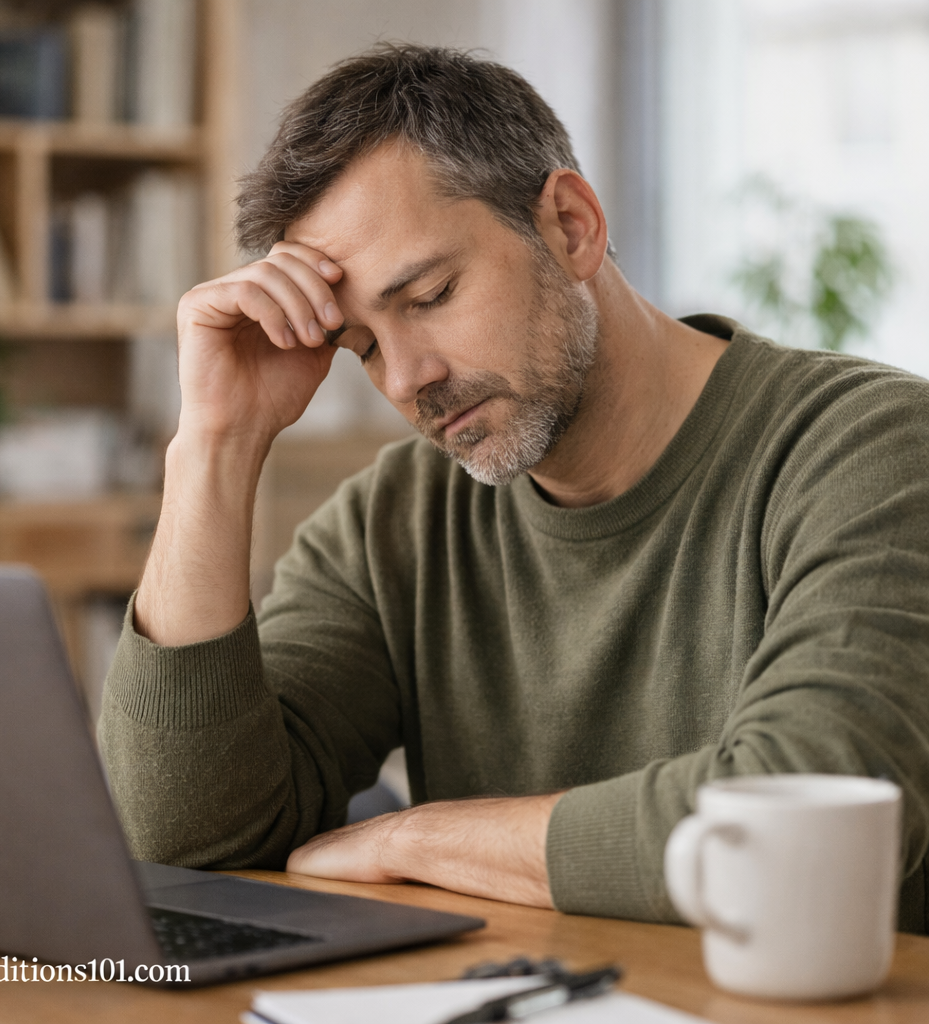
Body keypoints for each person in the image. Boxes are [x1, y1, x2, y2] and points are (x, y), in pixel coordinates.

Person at [99, 45, 929, 932]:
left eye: (429, 295)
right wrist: (216, 444)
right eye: (364, 346)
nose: (407, 379)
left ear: (572, 225)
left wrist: (411, 841)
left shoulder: (874, 451)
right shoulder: (398, 519)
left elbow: (796, 829)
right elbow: (181, 837)